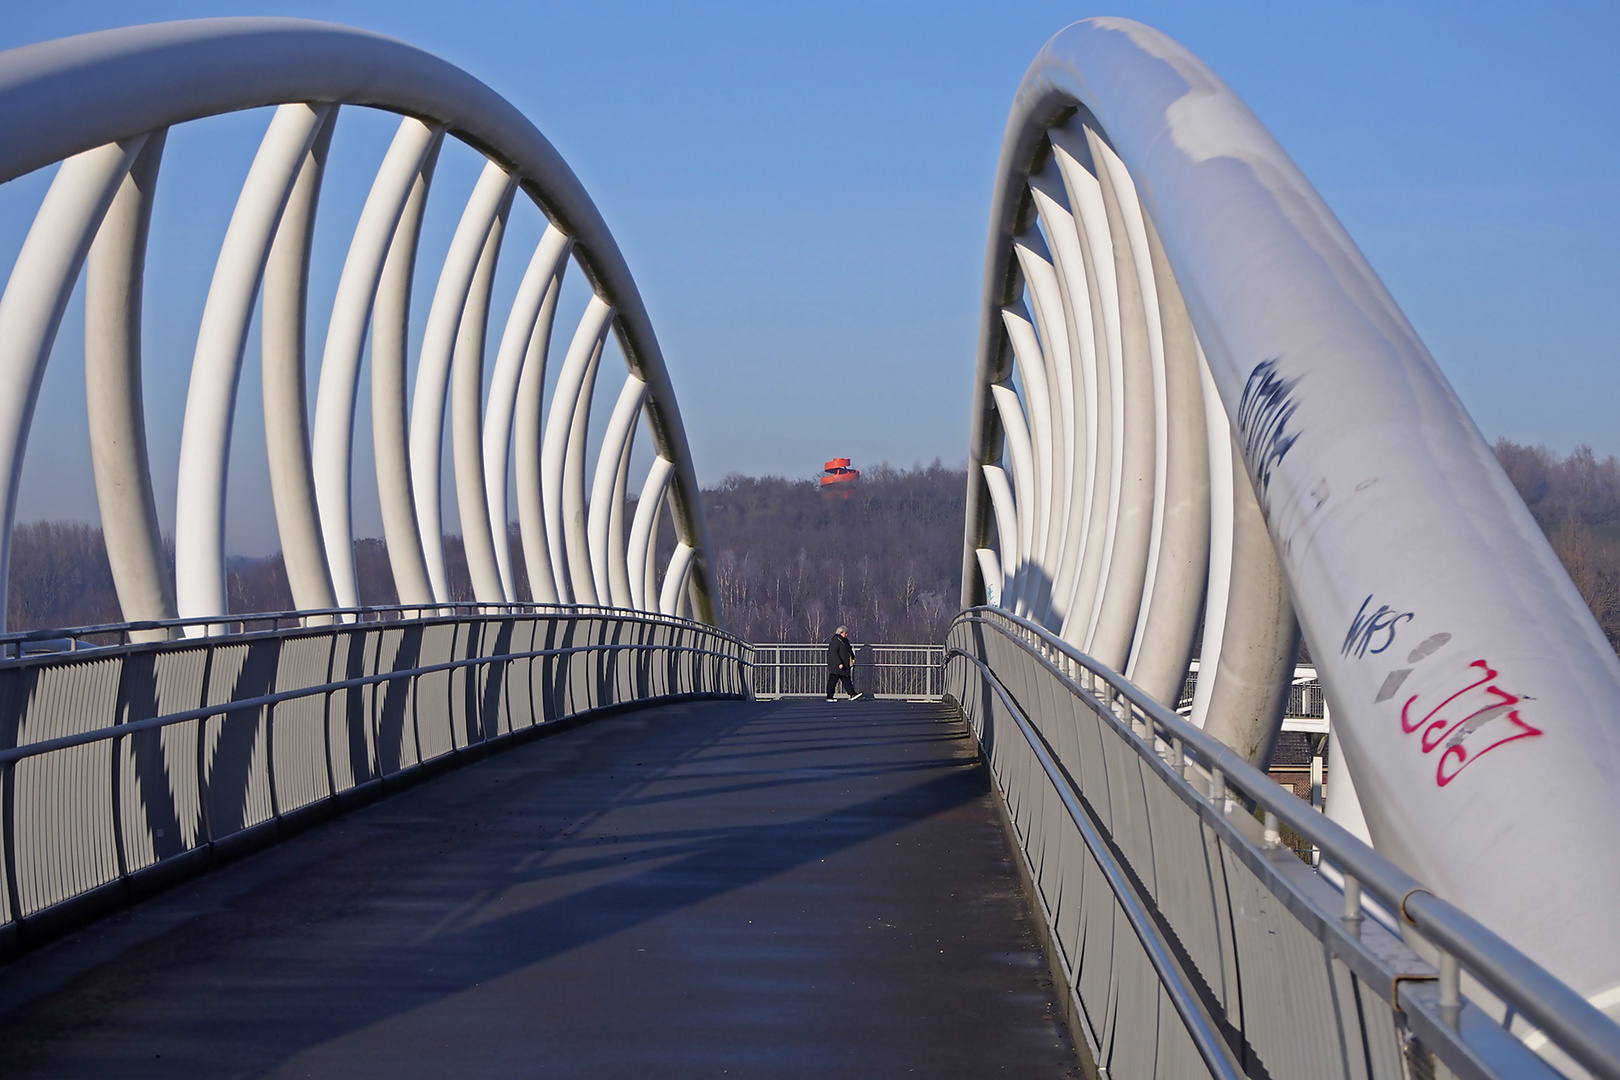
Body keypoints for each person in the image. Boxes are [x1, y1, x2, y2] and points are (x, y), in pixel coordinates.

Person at [825, 625, 862, 701]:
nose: (846, 634)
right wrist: (839, 663)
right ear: (841, 633)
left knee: (846, 680)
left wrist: (852, 657)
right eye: (845, 633)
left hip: (844, 665)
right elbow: (833, 653)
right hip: (837, 665)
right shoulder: (835, 641)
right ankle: (829, 696)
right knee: (833, 681)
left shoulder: (845, 640)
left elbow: (849, 649)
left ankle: (852, 694)